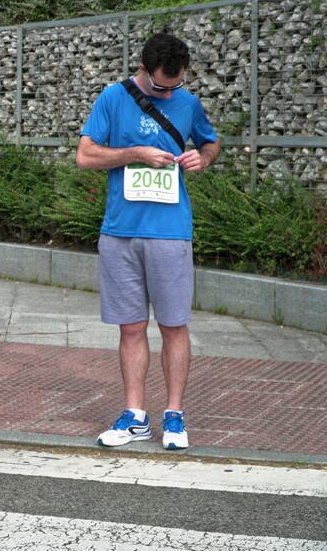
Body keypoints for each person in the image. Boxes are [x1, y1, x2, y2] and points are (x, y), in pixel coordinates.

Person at [76, 32, 221, 451]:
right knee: (131, 328)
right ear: (142, 69)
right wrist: (135, 153)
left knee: (174, 326)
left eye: (174, 86)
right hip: (120, 232)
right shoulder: (113, 98)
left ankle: (174, 415)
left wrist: (202, 159)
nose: (167, 93)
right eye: (160, 86)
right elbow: (85, 156)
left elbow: (211, 143)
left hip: (170, 232)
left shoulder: (188, 103)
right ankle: (135, 415)